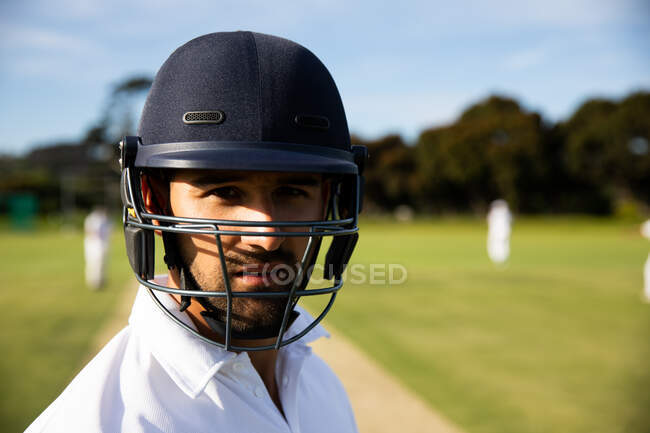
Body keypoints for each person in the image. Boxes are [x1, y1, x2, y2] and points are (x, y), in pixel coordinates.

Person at [26, 31, 366, 433]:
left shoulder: (317, 381)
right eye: (224, 191)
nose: (267, 235)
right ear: (153, 197)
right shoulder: (106, 422)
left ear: (330, 199)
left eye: (292, 191)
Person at [83, 206, 112, 289]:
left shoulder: (104, 219)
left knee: (102, 263)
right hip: (93, 244)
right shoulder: (91, 219)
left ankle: (101, 280)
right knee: (93, 263)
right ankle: (93, 281)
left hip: (102, 243)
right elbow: (89, 231)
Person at [486, 199, 512, 264]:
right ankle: (497, 257)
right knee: (497, 244)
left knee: (501, 244)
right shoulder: (501, 213)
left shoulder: (504, 213)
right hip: (497, 231)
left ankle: (500, 257)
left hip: (500, 231)